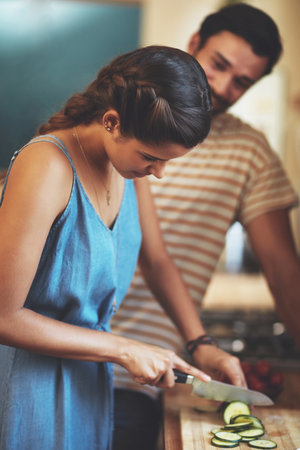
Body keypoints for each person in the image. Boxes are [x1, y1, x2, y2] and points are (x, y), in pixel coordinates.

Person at [0, 45, 249, 450]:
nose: (160, 173)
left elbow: (157, 261)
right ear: (112, 122)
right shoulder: (47, 165)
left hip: (87, 384)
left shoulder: (128, 170)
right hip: (25, 391)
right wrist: (123, 348)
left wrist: (201, 345)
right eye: (152, 157)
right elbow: (3, 316)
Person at [111, 4, 300, 450]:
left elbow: (284, 272)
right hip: (66, 349)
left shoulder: (249, 153)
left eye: (243, 82)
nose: (221, 86)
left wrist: (198, 343)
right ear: (194, 43)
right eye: (218, 65)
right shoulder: (120, 123)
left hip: (147, 370)